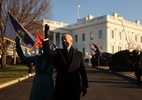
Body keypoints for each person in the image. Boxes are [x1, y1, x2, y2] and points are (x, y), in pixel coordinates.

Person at [42, 24, 88, 100]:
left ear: (71, 41)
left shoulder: (79, 54)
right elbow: (47, 52)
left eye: (65, 39)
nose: (63, 41)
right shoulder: (58, 52)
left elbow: (82, 71)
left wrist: (84, 86)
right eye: (62, 40)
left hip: (74, 87)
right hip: (61, 86)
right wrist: (46, 37)